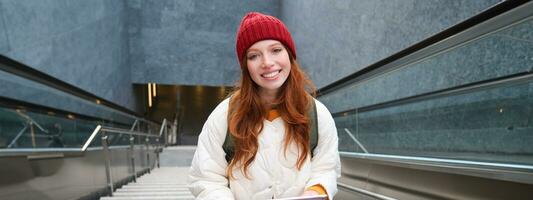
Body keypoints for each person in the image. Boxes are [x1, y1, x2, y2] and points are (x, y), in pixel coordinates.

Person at [188, 12, 341, 200]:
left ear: (289, 54)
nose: (267, 63)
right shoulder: (224, 115)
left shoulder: (317, 113)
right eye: (254, 56)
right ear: (246, 66)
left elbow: (327, 168)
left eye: (276, 50)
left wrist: (315, 192)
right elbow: (206, 178)